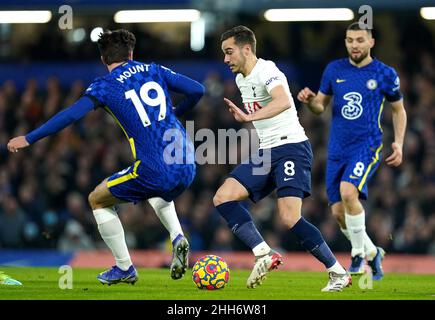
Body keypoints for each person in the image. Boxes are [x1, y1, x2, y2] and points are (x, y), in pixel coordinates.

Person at [7, 29, 205, 285]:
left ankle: (124, 267)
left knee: (97, 199)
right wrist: (176, 112)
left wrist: (30, 137)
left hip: (155, 167)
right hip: (187, 160)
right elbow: (197, 90)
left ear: (103, 59)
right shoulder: (154, 69)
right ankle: (177, 237)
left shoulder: (105, 86)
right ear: (131, 53)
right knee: (157, 191)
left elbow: (71, 115)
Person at [213, 25, 351, 292]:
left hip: (291, 148)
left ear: (247, 49)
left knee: (289, 218)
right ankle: (263, 252)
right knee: (222, 197)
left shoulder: (267, 71)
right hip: (267, 150)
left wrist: (248, 117)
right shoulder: (242, 79)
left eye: (229, 52)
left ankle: (337, 272)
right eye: (224, 54)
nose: (226, 59)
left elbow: (284, 101)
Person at [297, 22, 407, 280]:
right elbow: (319, 107)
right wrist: (310, 100)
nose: (354, 45)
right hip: (337, 148)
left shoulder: (384, 73)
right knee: (337, 212)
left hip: (366, 145)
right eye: (350, 40)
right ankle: (372, 252)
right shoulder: (334, 70)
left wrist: (399, 143)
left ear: (371, 42)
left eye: (359, 40)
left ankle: (357, 254)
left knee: (349, 192)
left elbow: (398, 109)